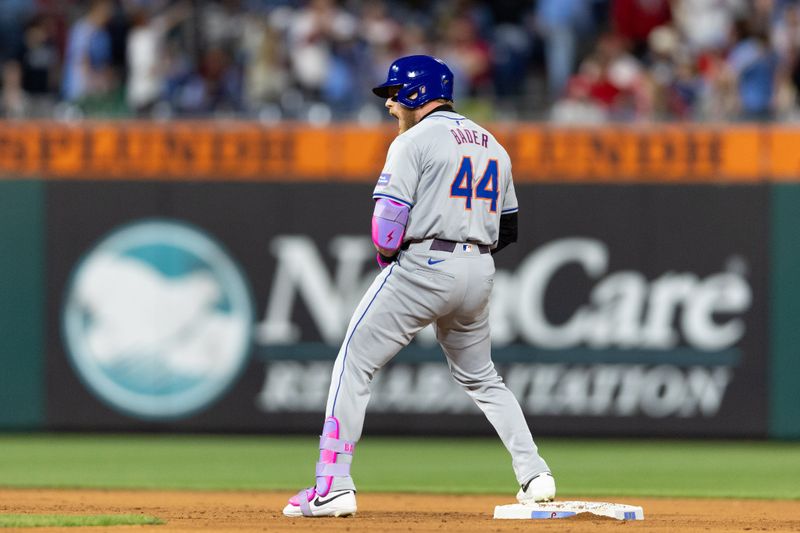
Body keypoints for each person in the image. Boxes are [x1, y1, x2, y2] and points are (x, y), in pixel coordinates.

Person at [282, 55, 554, 519]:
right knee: (483, 377)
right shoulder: (494, 144)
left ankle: (332, 485)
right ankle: (535, 474)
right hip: (480, 269)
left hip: (425, 263)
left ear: (415, 94)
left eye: (393, 93)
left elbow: (387, 227)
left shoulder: (415, 140)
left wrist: (397, 263)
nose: (388, 103)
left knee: (354, 363)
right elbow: (508, 230)